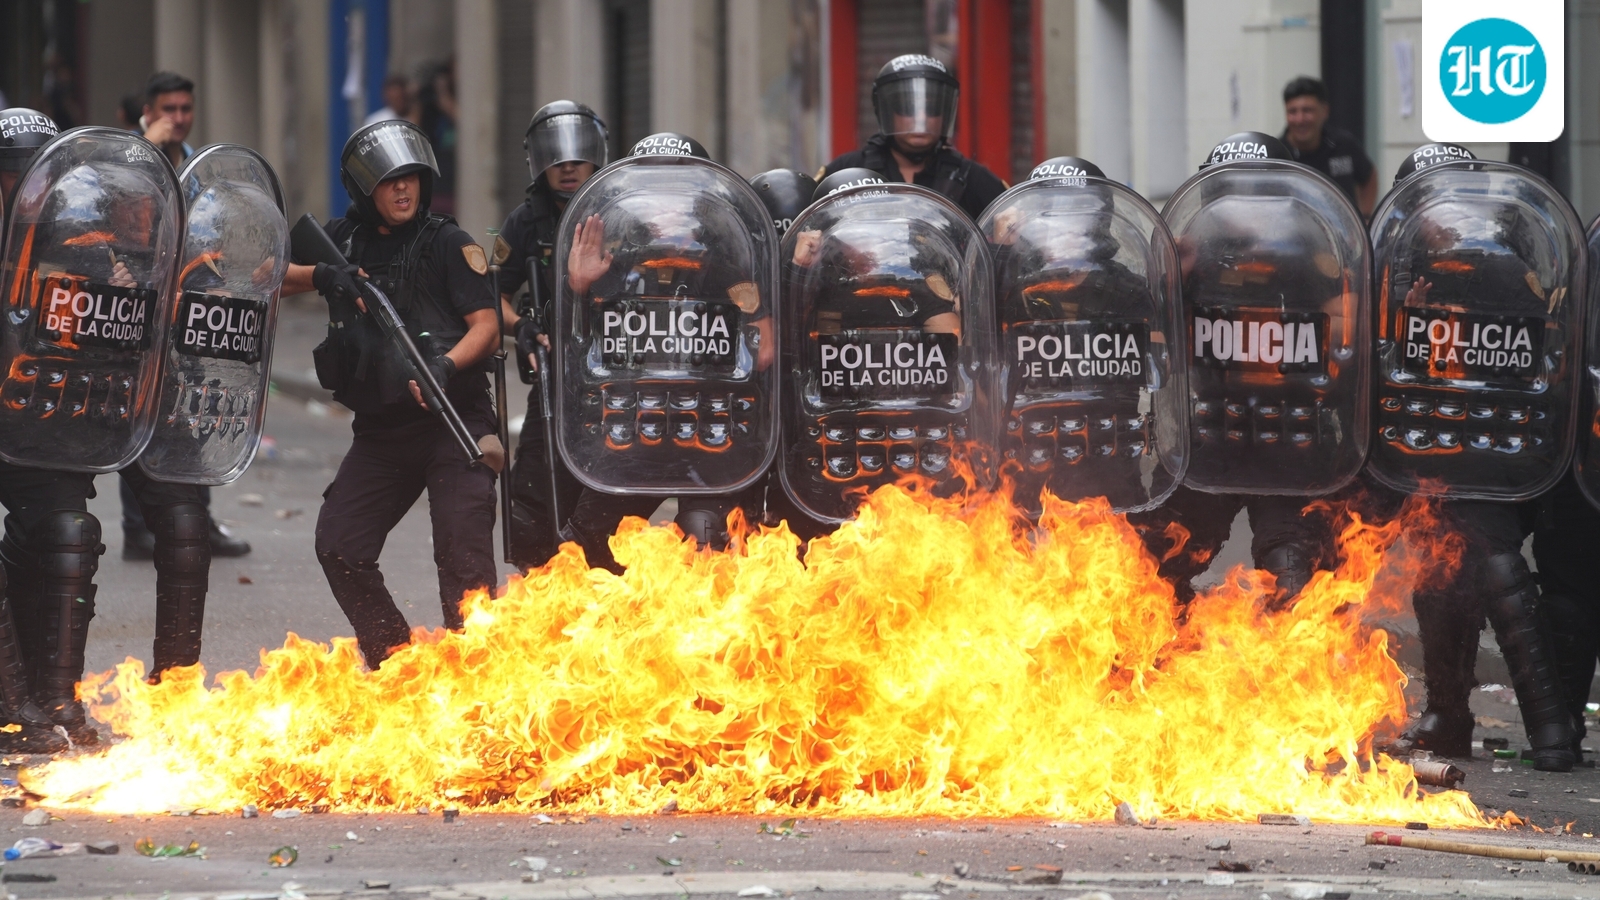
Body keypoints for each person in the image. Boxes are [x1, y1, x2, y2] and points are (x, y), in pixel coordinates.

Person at [1371, 145, 1578, 770]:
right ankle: (1451, 716)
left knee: (1498, 572)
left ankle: (1552, 729)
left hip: (1492, 451)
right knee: (1440, 580)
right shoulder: (1404, 271)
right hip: (1429, 449)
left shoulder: (1502, 268)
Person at [281, 119, 500, 669]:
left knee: (464, 567)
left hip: (454, 422)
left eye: (411, 179)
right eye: (388, 181)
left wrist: (444, 367)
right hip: (383, 433)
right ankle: (399, 666)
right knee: (340, 544)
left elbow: (487, 325)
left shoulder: (449, 243)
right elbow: (267, 274)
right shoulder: (344, 240)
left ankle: (478, 694)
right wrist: (326, 276)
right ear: (363, 190)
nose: (403, 190)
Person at [0, 109, 89, 752]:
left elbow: (118, 323)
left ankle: (59, 698)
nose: (25, 187)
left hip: (38, 419)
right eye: (13, 174)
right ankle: (12, 710)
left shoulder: (82, 238)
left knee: (66, 532)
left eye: (36, 174)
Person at [496, 100, 607, 570]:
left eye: (577, 159)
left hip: (614, 372)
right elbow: (490, 296)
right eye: (557, 161)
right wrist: (520, 327)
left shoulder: (620, 209)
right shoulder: (526, 221)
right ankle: (539, 583)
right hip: (553, 374)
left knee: (607, 487)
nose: (567, 169)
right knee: (536, 484)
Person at [819, 54, 1006, 222]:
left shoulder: (971, 178)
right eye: (908, 107)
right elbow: (806, 230)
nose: (921, 118)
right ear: (887, 110)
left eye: (932, 109)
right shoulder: (847, 171)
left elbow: (1015, 231)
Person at [1280, 76, 1377, 218]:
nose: (1300, 120)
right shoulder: (1277, 154)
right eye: (1292, 112)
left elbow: (1369, 175)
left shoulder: (1344, 145)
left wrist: (1366, 216)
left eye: (1307, 110)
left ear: (1324, 111)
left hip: (1344, 236)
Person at [140, 71, 195, 171]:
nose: (179, 119)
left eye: (186, 109)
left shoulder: (193, 158)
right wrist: (146, 145)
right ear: (148, 113)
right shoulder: (124, 148)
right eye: (169, 109)